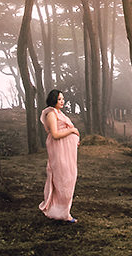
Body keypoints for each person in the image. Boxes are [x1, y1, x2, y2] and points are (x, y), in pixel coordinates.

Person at [39, 89, 80, 223]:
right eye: (59, 99)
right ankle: (63, 213)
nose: (62, 101)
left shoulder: (59, 113)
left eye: (62, 99)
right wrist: (72, 130)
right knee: (63, 178)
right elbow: (55, 135)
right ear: (53, 100)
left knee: (70, 177)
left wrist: (73, 139)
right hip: (59, 150)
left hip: (67, 151)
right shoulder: (51, 114)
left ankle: (61, 211)